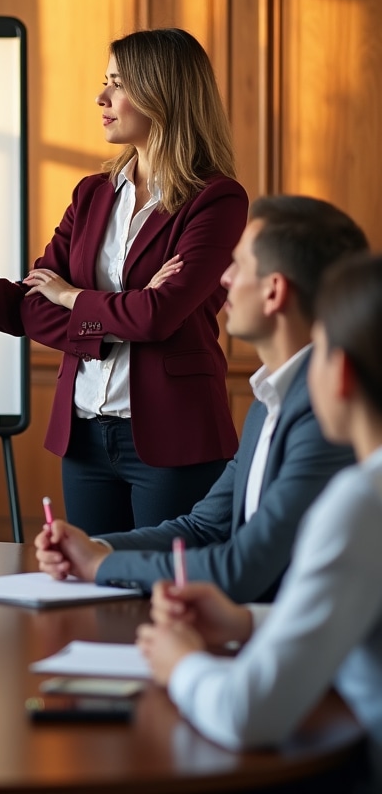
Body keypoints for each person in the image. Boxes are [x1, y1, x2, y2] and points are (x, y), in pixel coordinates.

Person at [0, 27, 248, 531]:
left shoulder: (216, 200)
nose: (101, 98)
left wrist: (71, 296)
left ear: (162, 93)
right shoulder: (92, 195)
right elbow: (28, 309)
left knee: (161, 579)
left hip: (174, 440)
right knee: (88, 577)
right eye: (106, 82)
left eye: (118, 84)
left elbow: (159, 317)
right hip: (84, 441)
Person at [35, 196, 366, 601]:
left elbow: (241, 568)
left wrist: (100, 565)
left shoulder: (325, 416)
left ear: (274, 291)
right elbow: (203, 528)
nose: (224, 278)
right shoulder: (267, 402)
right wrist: (95, 548)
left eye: (239, 264)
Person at [137, 252, 382, 787]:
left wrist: (180, 663)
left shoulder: (361, 501)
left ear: (340, 373)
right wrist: (246, 622)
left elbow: (248, 715)